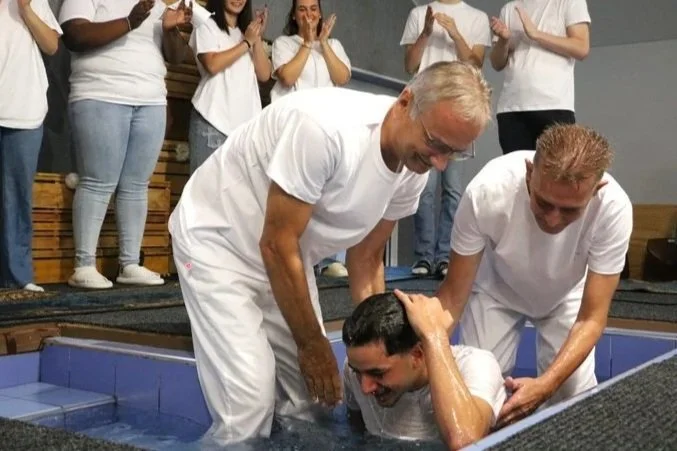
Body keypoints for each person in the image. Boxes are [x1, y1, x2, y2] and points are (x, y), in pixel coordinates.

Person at [168, 61, 492, 445]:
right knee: (248, 407)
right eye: (436, 143)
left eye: (454, 153)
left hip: (288, 253)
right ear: (406, 101)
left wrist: (382, 347)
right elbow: (275, 243)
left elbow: (366, 258)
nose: (439, 163)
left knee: (314, 403)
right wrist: (311, 344)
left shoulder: (412, 171)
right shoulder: (325, 131)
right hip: (218, 241)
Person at [435, 124, 633, 428]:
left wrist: (546, 385)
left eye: (569, 210)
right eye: (543, 202)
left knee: (574, 400)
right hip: (495, 290)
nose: (552, 219)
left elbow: (592, 319)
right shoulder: (487, 191)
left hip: (566, 295)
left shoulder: (614, 209)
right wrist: (424, 352)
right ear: (529, 173)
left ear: (596, 190)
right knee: (478, 392)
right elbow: (452, 298)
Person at [59, 0, 193, 289]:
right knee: (97, 181)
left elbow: (177, 57)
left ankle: (129, 263)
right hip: (100, 93)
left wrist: (170, 29)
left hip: (151, 98)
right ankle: (84, 265)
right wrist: (129, 22)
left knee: (136, 185)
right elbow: (75, 36)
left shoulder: (155, 3)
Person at [342, 291, 506, 450]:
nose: (365, 388)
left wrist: (434, 336)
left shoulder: (476, 365)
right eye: (357, 371)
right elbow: (355, 433)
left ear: (418, 354)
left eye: (378, 373)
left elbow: (465, 444)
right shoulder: (355, 370)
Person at [400, 0, 491, 278]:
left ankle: (445, 258)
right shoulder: (418, 13)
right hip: (425, 109)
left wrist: (455, 33)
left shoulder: (477, 17)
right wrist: (426, 33)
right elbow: (410, 65)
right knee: (424, 189)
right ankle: (424, 257)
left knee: (452, 190)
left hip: (459, 111)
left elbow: (475, 64)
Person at [271, 0, 353, 277]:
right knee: (298, 193)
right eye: (302, 9)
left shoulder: (335, 44)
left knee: (331, 193)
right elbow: (287, 77)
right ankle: (299, 256)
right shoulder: (284, 43)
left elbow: (342, 77)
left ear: (320, 13)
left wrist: (323, 43)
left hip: (329, 129)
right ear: (294, 15)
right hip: (295, 129)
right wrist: (307, 44)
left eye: (313, 9)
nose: (309, 15)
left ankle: (331, 259)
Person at [0, 0, 61, 292]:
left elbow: (52, 45)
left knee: (17, 199)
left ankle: (18, 277)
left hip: (23, 109)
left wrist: (26, 10)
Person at [490, 0, 591, 154]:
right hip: (512, 107)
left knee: (558, 167)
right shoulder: (509, 8)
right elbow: (497, 63)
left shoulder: (569, 2)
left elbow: (581, 48)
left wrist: (536, 34)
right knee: (517, 167)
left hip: (554, 104)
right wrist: (503, 40)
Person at [187, 0, 272, 174]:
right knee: (205, 189)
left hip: (244, 130)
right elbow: (212, 64)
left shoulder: (246, 33)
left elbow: (264, 74)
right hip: (212, 122)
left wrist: (256, 37)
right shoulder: (206, 24)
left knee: (237, 191)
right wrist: (246, 43)